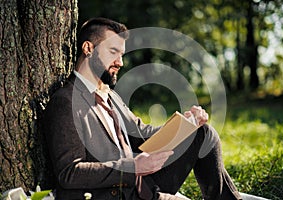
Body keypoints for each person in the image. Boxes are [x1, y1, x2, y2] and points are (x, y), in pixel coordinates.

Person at [42, 17, 265, 200]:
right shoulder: (66, 101)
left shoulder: (110, 95)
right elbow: (69, 173)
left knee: (202, 133)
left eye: (122, 54)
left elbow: (141, 133)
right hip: (117, 195)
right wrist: (131, 167)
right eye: (113, 52)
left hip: (145, 187)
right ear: (88, 48)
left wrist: (185, 124)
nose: (120, 62)